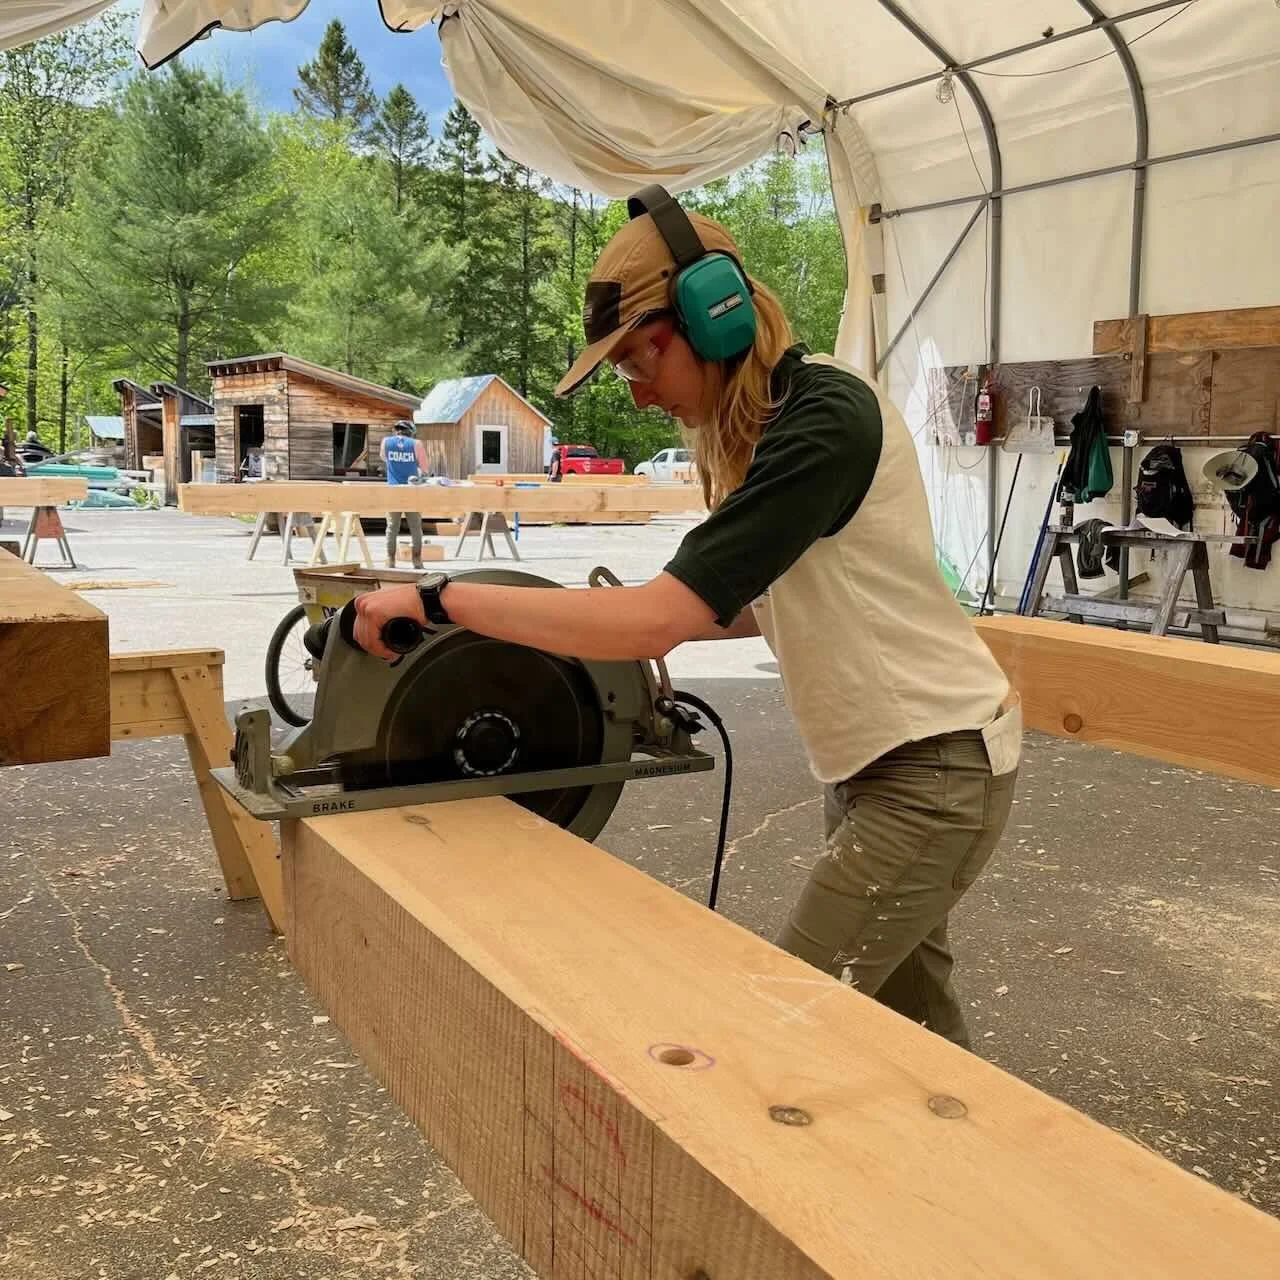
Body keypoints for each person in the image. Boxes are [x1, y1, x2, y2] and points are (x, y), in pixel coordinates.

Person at [354, 187, 1020, 1048]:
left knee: (782, 1030)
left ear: (718, 318)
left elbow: (659, 620)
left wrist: (442, 602)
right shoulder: (782, 427)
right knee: (909, 1031)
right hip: (882, 764)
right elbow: (742, 606)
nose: (636, 396)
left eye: (640, 361)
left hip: (932, 774)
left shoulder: (826, 420)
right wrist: (618, 619)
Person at [380, 419, 430, 570]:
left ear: (396, 430)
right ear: (410, 432)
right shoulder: (416, 444)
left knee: (391, 527)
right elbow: (425, 468)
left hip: (393, 490)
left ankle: (390, 560)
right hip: (411, 490)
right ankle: (417, 560)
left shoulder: (386, 442)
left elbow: (384, 458)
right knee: (415, 527)